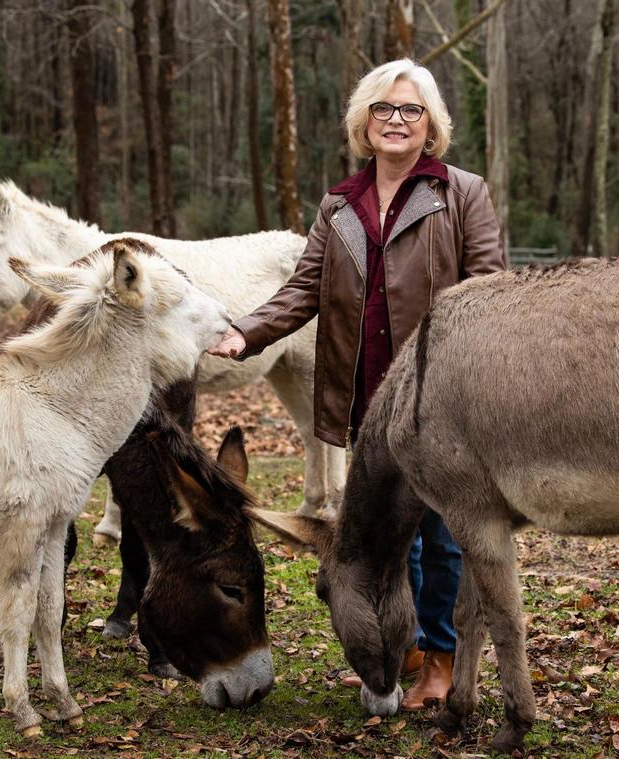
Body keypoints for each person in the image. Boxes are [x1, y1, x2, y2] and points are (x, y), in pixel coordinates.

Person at [207, 58, 505, 710]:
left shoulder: (462, 194)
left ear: (431, 126)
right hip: (368, 406)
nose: (396, 120)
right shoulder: (340, 205)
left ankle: (445, 661)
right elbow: (303, 290)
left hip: (440, 403)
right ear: (363, 123)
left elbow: (492, 295)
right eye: (383, 109)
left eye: (411, 110)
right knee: (384, 539)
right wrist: (246, 332)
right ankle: (406, 651)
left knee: (439, 537)